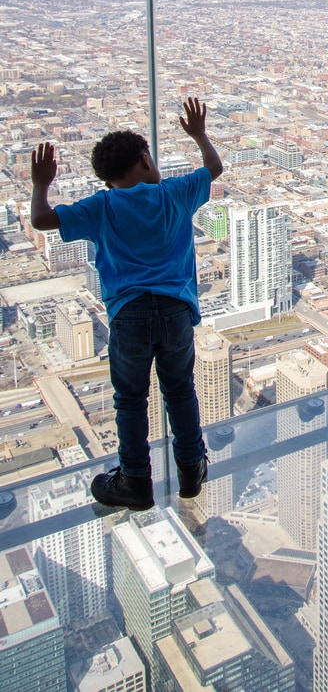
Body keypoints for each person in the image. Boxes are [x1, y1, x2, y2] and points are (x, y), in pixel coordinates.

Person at [29, 97, 223, 511]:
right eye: (149, 156)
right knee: (180, 389)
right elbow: (213, 168)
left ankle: (135, 480)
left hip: (129, 315)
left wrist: (41, 184)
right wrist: (200, 135)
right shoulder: (174, 194)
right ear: (142, 161)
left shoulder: (101, 206)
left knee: (130, 399)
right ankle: (191, 469)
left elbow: (42, 220)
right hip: (175, 312)